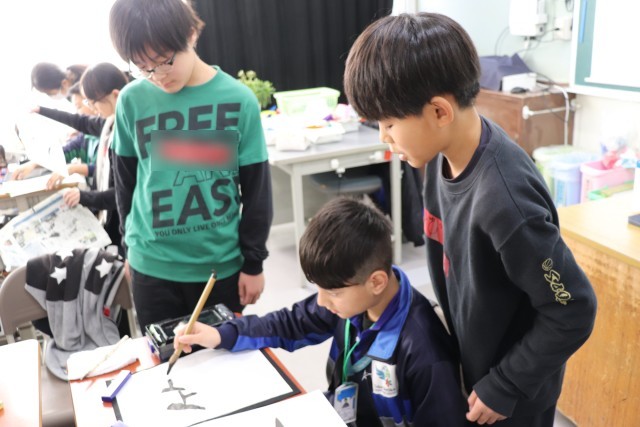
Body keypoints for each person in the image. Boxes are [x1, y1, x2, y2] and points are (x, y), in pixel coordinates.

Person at [343, 13, 598, 427]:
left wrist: (507, 384)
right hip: (475, 364)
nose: (384, 139)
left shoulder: (506, 203)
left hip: (514, 394)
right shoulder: (438, 156)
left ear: (439, 111)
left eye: (389, 124)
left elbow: (573, 307)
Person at [176, 197, 467, 426]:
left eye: (333, 292)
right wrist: (221, 334)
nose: (322, 302)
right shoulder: (353, 300)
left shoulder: (425, 351)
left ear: (376, 282)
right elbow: (287, 324)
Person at [108, 0, 273, 331]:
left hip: (219, 269)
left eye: (164, 60)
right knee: (164, 359)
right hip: (151, 265)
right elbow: (125, 184)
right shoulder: (131, 100)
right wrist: (128, 249)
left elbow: (257, 191)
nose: (158, 76)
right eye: (143, 67)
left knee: (221, 356)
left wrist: (253, 262)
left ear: (191, 33)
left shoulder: (239, 100)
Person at [13, 82, 100, 182]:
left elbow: (107, 171)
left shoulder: (108, 135)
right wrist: (33, 164)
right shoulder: (85, 138)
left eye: (79, 107)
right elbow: (62, 154)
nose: (77, 114)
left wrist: (74, 168)